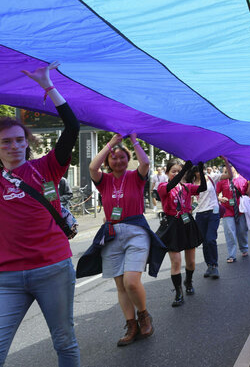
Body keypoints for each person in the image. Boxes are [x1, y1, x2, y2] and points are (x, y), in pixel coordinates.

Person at [0, 62, 81, 366]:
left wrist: (48, 86)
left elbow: (72, 128)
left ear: (27, 142)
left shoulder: (46, 167)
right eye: (6, 141)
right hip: (7, 277)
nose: (14, 146)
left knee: (64, 342)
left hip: (53, 270)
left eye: (19, 140)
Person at [85, 133, 164, 345]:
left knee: (131, 281)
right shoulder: (105, 181)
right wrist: (110, 143)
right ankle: (131, 325)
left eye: (122, 157)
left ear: (128, 160)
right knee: (120, 284)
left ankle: (144, 315)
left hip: (136, 230)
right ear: (108, 161)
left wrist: (134, 140)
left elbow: (146, 162)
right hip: (111, 233)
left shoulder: (135, 177)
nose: (118, 161)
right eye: (114, 157)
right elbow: (93, 167)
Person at [157, 159, 206, 307]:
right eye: (174, 171)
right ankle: (179, 293)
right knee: (176, 262)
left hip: (187, 223)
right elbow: (172, 184)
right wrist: (185, 169)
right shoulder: (163, 186)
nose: (177, 174)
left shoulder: (186, 187)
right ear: (167, 173)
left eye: (179, 171)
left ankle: (188, 281)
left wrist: (201, 171)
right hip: (172, 225)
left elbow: (202, 187)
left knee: (191, 262)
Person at [189, 164, 223, 279]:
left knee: (210, 239)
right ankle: (209, 266)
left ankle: (214, 265)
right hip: (200, 214)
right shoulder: (192, 184)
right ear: (194, 173)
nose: (201, 172)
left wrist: (226, 162)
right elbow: (193, 201)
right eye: (198, 171)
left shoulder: (211, 177)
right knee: (204, 241)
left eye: (202, 169)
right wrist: (189, 210)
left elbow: (229, 175)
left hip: (213, 212)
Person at [216, 157, 250, 263]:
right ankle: (231, 254)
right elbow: (215, 194)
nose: (230, 168)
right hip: (227, 210)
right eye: (228, 166)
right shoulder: (222, 181)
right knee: (230, 232)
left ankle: (244, 248)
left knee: (242, 231)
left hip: (240, 209)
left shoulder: (243, 179)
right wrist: (220, 198)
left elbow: (247, 194)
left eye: (231, 166)